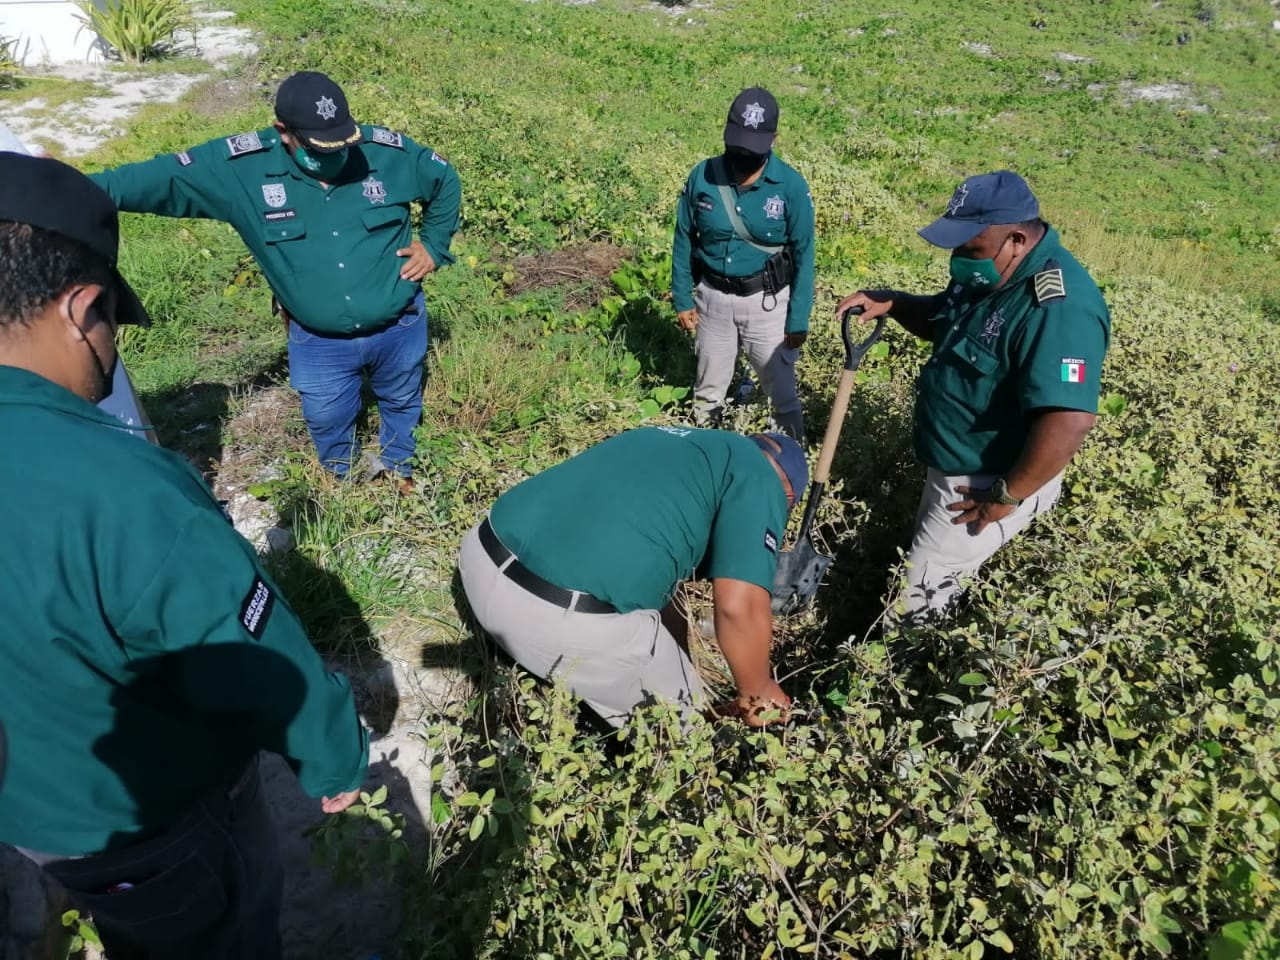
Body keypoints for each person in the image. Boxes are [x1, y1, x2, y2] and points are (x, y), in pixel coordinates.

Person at [0, 153, 370, 958]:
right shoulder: (119, 490)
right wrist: (334, 753)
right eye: (111, 326)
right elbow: (252, 660)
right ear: (80, 307)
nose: (109, 349)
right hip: (149, 828)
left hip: (29, 816)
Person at [89, 71, 462, 491]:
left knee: (402, 399)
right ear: (283, 132)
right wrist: (64, 186)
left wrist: (433, 246)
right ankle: (348, 482)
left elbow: (444, 180)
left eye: (343, 144)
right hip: (320, 342)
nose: (337, 156)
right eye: (321, 148)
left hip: (400, 325)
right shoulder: (241, 170)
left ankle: (400, 467)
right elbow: (153, 180)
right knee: (326, 416)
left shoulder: (385, 152)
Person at [837, 170, 1111, 624]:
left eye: (969, 248)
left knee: (915, 603)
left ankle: (892, 674)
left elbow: (1069, 420)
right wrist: (898, 303)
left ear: (1017, 240)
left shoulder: (1060, 308)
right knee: (929, 573)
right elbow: (945, 322)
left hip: (984, 486)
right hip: (954, 469)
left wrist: (1006, 495)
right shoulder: (991, 275)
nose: (959, 259)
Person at [458, 426, 808, 728]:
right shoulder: (761, 480)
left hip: (478, 558)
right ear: (787, 495)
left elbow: (666, 596)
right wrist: (758, 694)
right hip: (551, 622)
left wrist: (679, 660)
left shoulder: (678, 443)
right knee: (690, 737)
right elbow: (738, 607)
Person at [671, 87, 816, 441]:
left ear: (773, 139)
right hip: (713, 302)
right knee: (707, 396)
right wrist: (683, 297)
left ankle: (789, 468)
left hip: (766, 306)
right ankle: (705, 465)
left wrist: (797, 319)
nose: (742, 155)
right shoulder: (702, 176)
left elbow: (804, 253)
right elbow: (683, 237)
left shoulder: (790, 187)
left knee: (782, 400)